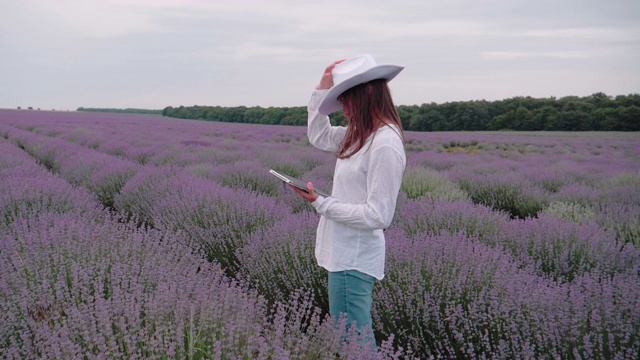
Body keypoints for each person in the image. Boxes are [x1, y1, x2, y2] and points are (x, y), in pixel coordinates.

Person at [290, 54, 407, 345]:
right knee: (353, 339)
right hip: (343, 254)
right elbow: (319, 135)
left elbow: (379, 215)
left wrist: (320, 202)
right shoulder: (361, 136)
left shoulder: (384, 144)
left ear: (366, 92)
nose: (342, 109)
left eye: (345, 100)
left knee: (354, 343)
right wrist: (321, 86)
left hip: (353, 259)